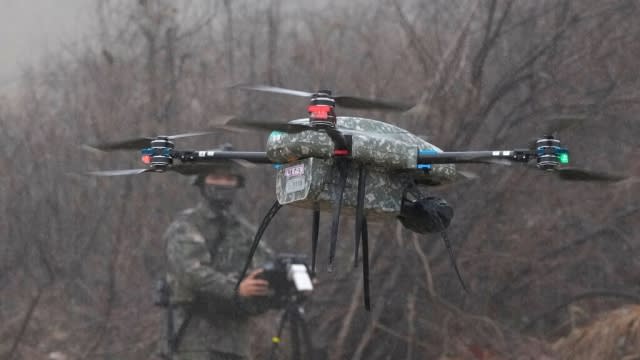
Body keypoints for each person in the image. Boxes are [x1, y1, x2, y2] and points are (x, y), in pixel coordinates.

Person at [161, 152, 272, 360]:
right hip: (195, 337)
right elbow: (192, 273)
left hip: (236, 340)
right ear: (202, 183)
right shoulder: (186, 226)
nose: (223, 184)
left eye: (230, 179)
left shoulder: (243, 230)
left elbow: (266, 265)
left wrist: (290, 279)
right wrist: (237, 288)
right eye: (216, 177)